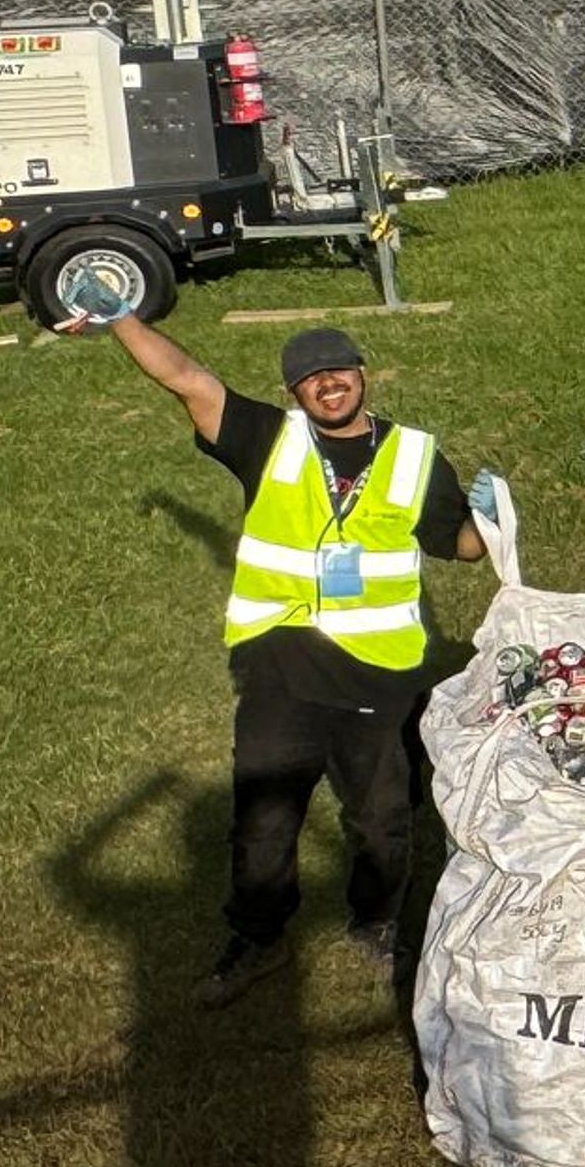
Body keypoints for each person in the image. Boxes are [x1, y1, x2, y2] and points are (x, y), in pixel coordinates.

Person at [73, 314, 493, 1008]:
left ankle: (377, 922)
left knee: (383, 818)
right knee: (265, 817)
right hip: (282, 667)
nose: (327, 384)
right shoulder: (268, 439)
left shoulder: (417, 457)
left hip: (381, 673)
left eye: (337, 370)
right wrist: (118, 315)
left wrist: (492, 519)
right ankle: (258, 936)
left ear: (363, 374)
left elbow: (462, 546)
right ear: (294, 392)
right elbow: (185, 379)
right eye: (308, 377)